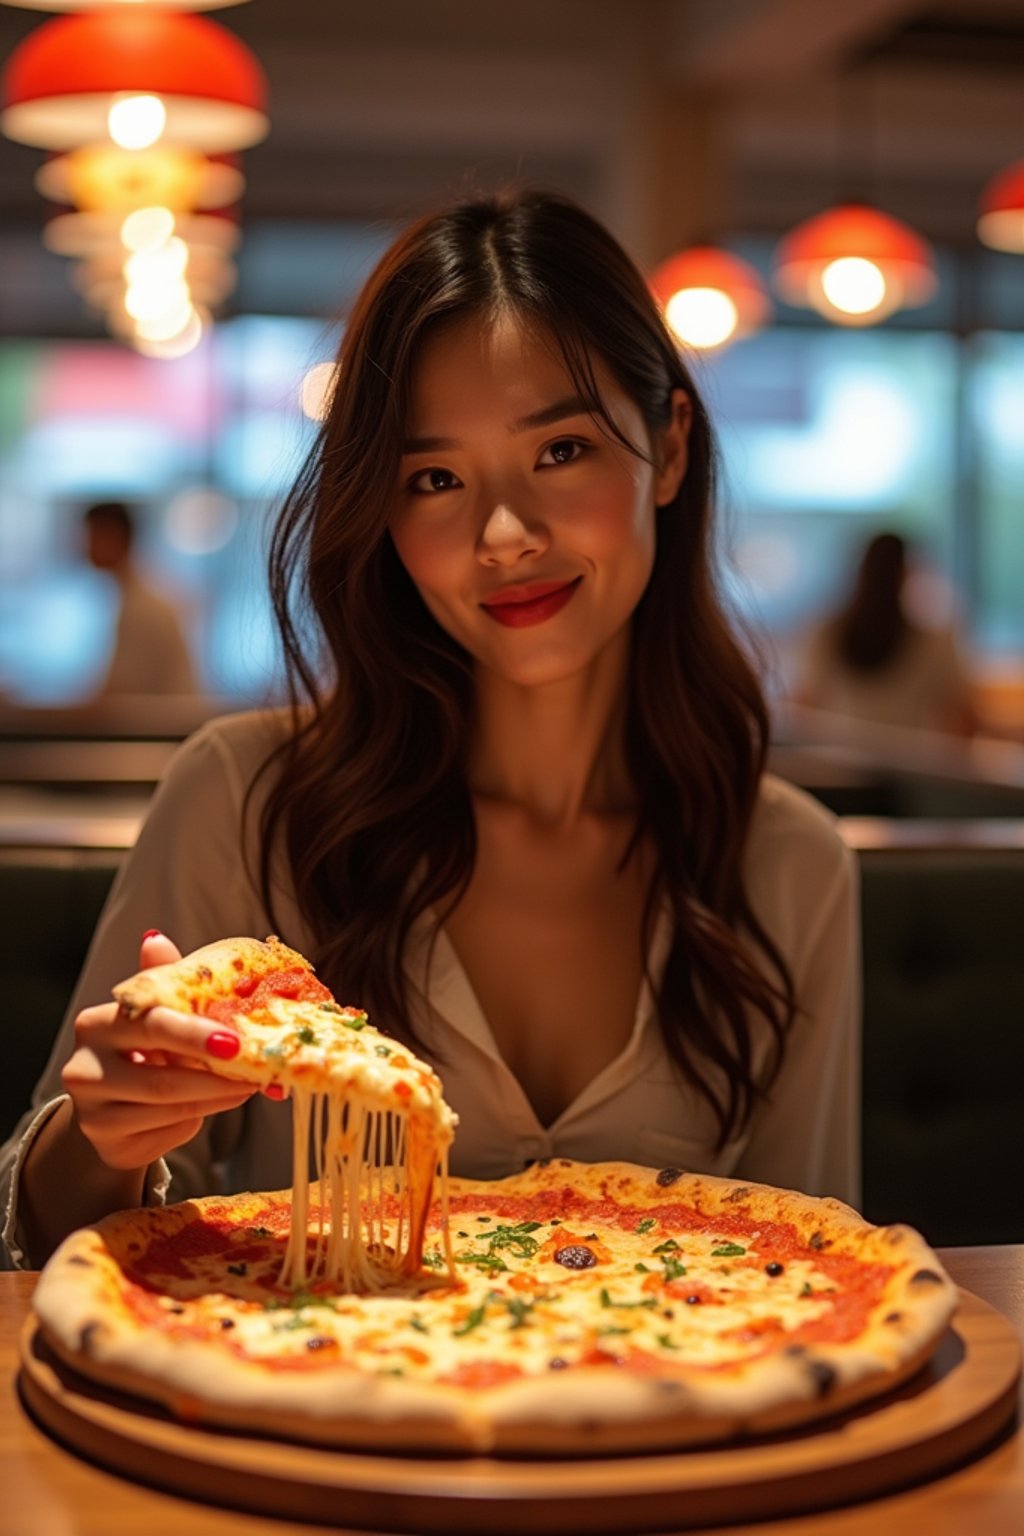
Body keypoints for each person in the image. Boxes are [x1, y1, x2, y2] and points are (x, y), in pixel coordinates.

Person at [1, 190, 859, 1271]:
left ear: (670, 446)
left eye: (560, 452)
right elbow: (41, 1245)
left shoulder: (789, 866)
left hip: (676, 1435)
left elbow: (811, 1268)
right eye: (436, 478)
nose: (504, 535)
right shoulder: (245, 796)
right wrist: (107, 1134)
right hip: (297, 1425)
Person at [792, 531, 977, 735]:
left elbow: (805, 708)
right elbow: (962, 718)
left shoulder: (825, 633)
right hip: (907, 761)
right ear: (906, 575)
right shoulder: (934, 643)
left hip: (841, 759)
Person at [83, 499, 199, 697]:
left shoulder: (142, 608)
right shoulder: (139, 597)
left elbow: (120, 691)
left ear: (114, 537)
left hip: (163, 727)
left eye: (90, 536)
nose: (84, 547)